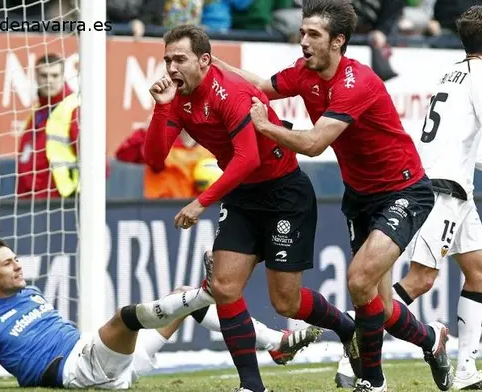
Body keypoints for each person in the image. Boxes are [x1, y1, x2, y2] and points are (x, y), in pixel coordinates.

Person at [212, 0, 452, 390]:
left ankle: (373, 382)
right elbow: (257, 85)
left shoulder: (354, 83)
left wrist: (265, 127)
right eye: (303, 32)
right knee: (382, 307)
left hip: (404, 189)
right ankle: (431, 339)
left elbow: (313, 144)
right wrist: (212, 64)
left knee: (359, 280)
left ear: (338, 41)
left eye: (314, 35)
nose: (303, 41)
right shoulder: (304, 74)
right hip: (360, 197)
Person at [143, 24, 358, 392]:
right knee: (224, 287)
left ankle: (345, 327)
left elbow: (247, 159)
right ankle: (252, 385)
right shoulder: (178, 97)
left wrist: (200, 202)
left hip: (284, 194)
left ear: (204, 60)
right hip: (243, 197)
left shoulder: (233, 93)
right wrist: (161, 111)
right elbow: (154, 159)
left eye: (180, 59)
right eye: (167, 60)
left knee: (285, 302)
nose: (172, 68)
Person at [0, 240, 321, 392]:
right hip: (78, 370)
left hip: (114, 367)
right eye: (8, 264)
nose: (18, 266)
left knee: (182, 298)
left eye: (16, 259)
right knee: (127, 317)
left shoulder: (33, 292)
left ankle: (277, 344)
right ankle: (207, 291)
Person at [377, 5, 482, 390]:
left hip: (454, 190)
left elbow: (477, 151)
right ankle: (355, 340)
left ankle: (465, 370)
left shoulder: (451, 75)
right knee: (419, 280)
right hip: (443, 193)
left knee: (480, 272)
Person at [17, 53, 79, 199]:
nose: (49, 80)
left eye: (54, 75)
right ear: (36, 77)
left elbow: (96, 161)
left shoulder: (73, 108)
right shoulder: (36, 113)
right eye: (44, 75)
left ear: (63, 76)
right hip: (30, 200)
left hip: (61, 199)